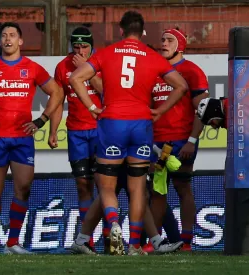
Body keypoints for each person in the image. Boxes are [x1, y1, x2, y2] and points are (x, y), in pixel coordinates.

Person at [69, 11, 188, 255]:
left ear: (120, 31)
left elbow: (76, 77)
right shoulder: (153, 56)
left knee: (107, 187)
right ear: (142, 32)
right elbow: (181, 86)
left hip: (112, 123)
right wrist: (159, 110)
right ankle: (135, 244)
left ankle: (113, 223)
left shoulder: (107, 53)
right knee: (137, 189)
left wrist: (93, 108)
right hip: (141, 124)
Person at [0, 22, 64, 255]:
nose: (8, 39)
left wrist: (42, 120)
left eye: (12, 35)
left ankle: (13, 243)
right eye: (4, 36)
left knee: (23, 187)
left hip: (22, 137)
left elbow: (57, 91)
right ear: (0, 42)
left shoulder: (32, 67)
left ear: (20, 41)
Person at [148, 27, 210, 252]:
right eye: (162, 39)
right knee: (157, 190)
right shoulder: (154, 71)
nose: (163, 43)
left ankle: (186, 240)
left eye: (169, 40)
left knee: (182, 186)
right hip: (159, 143)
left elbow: (202, 110)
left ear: (180, 45)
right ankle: (156, 242)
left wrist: (192, 140)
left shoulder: (192, 71)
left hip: (182, 139)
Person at [49, 26, 103, 249]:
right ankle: (86, 240)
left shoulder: (101, 61)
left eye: (84, 46)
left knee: (106, 186)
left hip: (102, 130)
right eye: (76, 46)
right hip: (76, 132)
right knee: (83, 184)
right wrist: (53, 131)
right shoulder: (62, 66)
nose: (80, 51)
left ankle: (111, 236)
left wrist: (85, 70)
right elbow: (58, 101)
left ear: (92, 46)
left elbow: (106, 91)